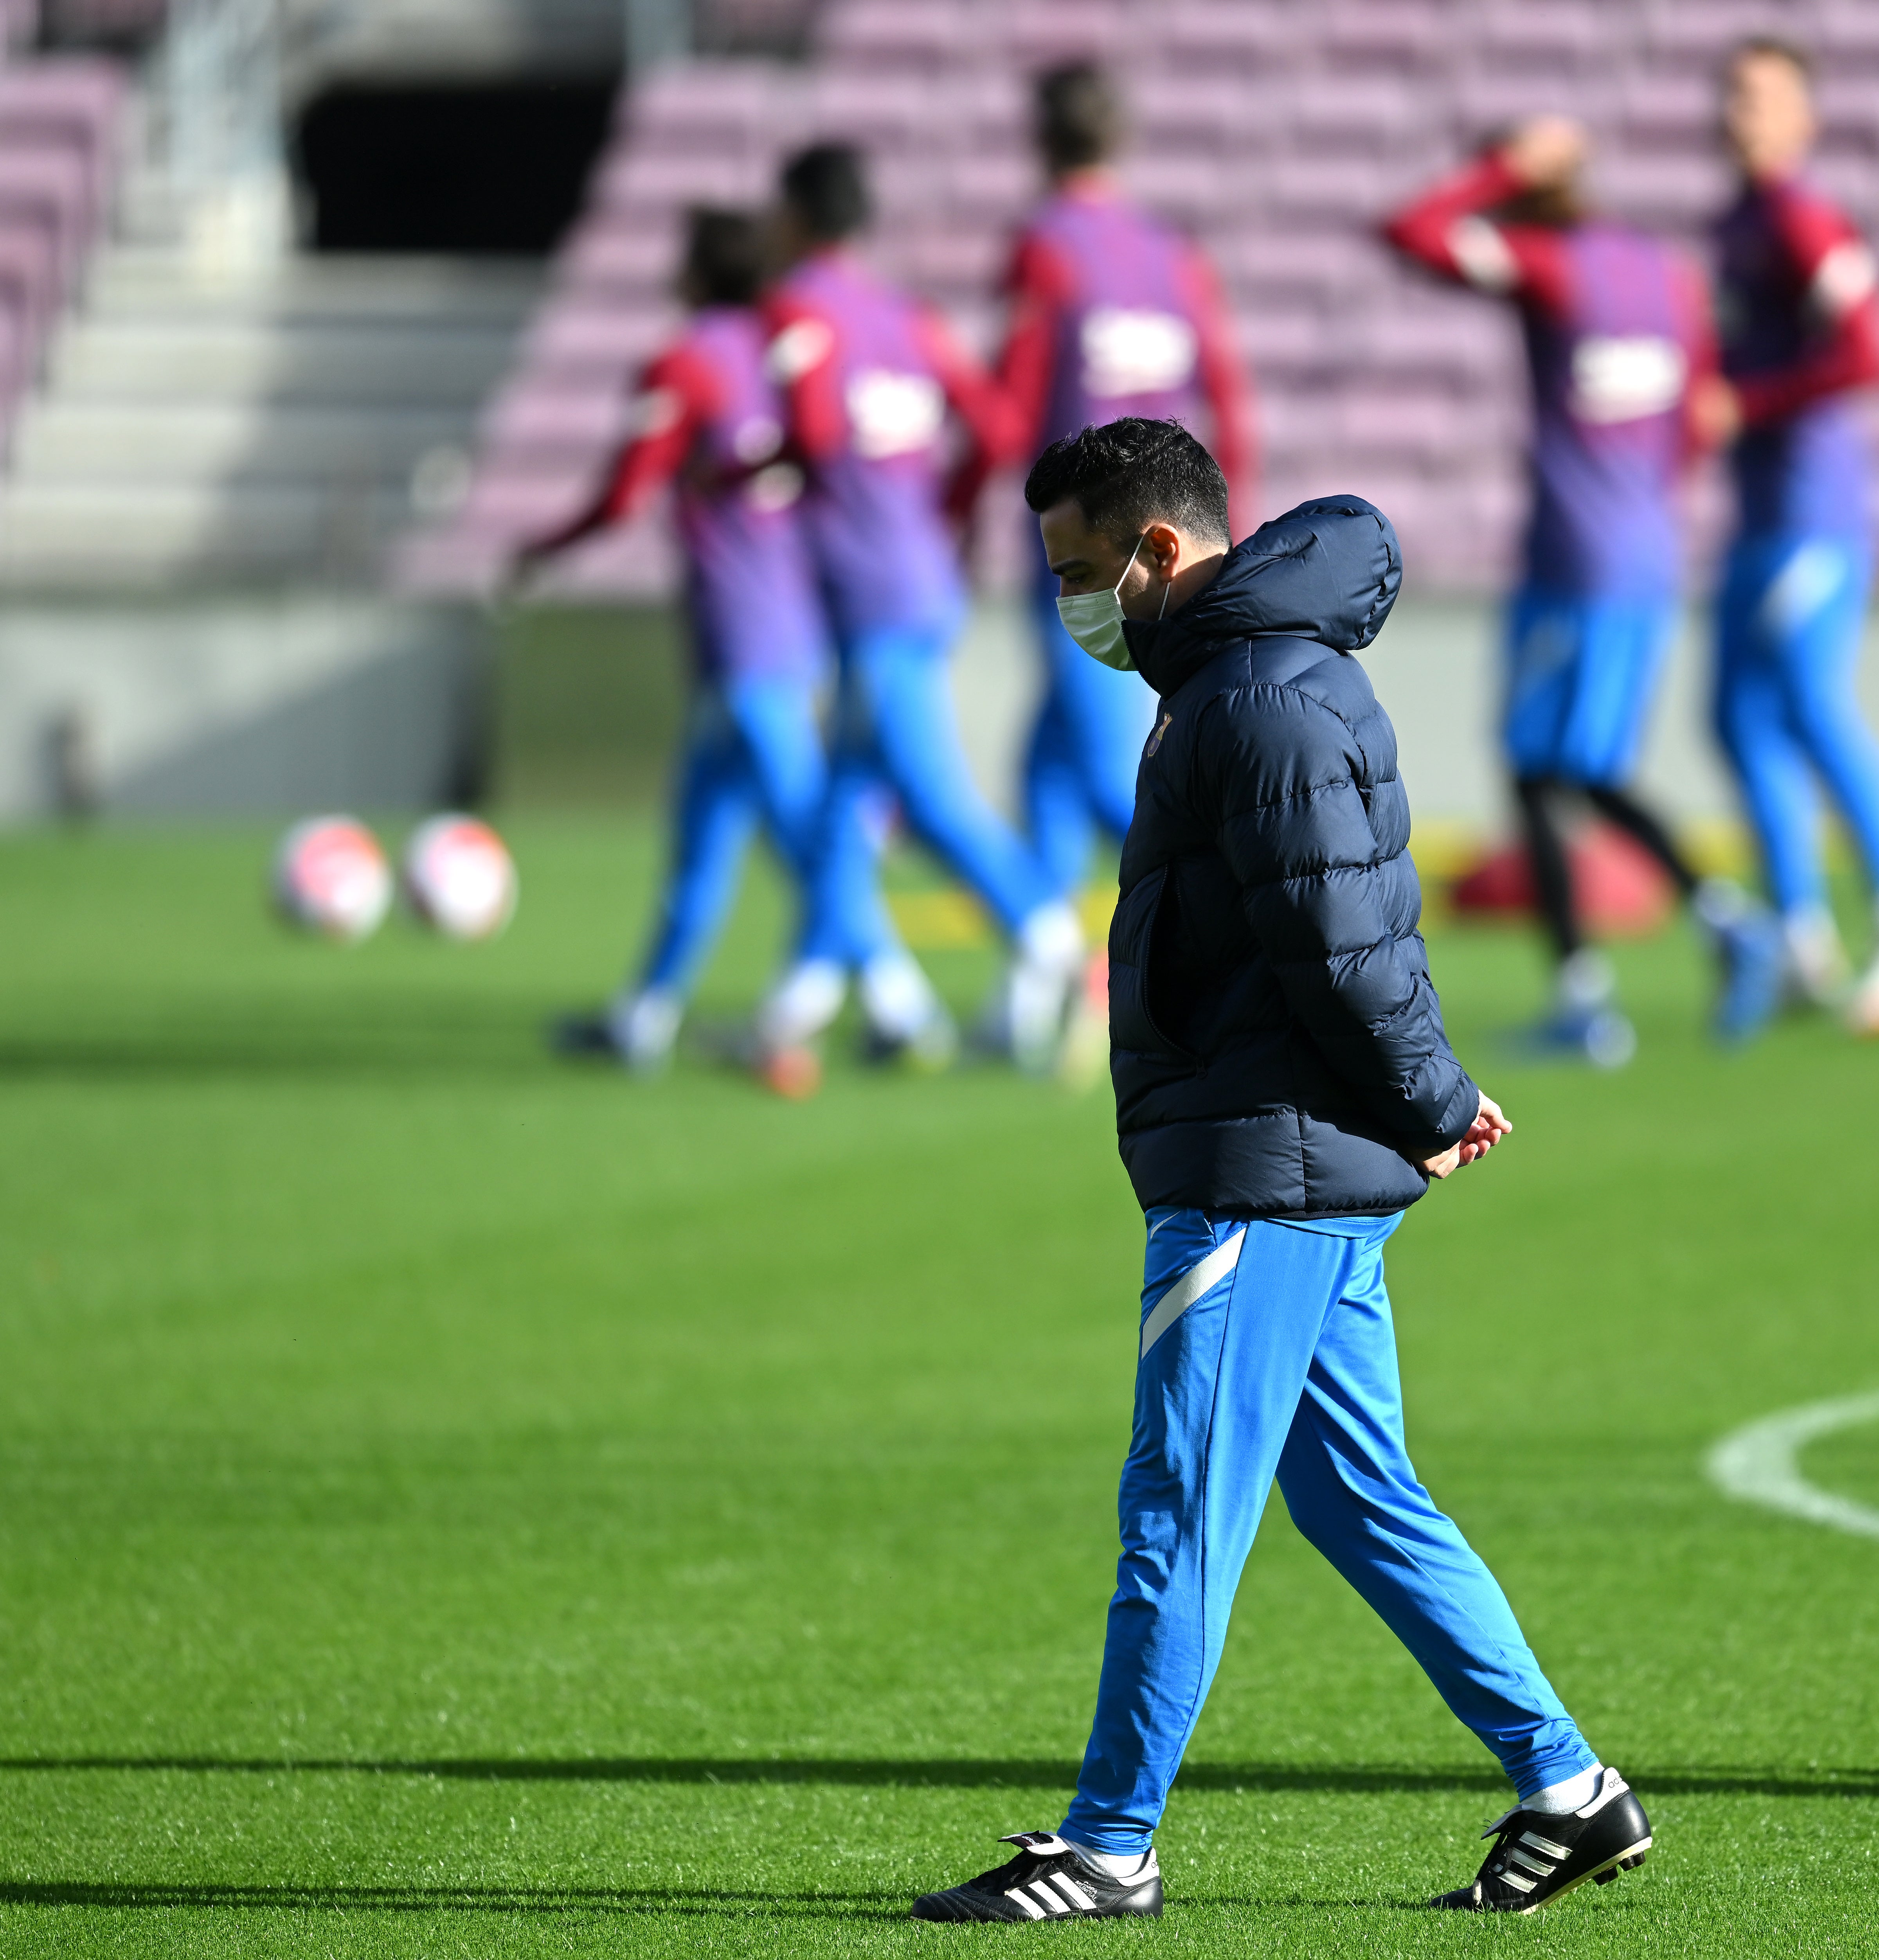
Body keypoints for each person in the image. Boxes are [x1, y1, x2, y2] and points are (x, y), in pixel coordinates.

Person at [908, 421, 1652, 1922]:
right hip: (1275, 1153)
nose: (1075, 609)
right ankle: (1569, 1791)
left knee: (1178, 1505)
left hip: (1265, 1172)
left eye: (1079, 575)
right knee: (1362, 1501)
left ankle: (1109, 1847)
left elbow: (1346, 940)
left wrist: (1432, 1095)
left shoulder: (1258, 698)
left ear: (1159, 552)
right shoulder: (1234, 684)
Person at [1381, 117, 1780, 1067]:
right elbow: (1696, 421)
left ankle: (1647, 968)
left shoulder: (1550, 266)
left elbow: (1415, 233)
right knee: (1564, 770)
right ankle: (1640, 968)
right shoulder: (1665, 277)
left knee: (1550, 768)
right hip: (1646, 552)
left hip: (1574, 562)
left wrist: (1493, 169)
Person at [750, 142, 1087, 1092]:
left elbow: (812, 431)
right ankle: (823, 1000)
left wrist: (756, 471)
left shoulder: (798, 312)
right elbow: (992, 424)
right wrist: (940, 506)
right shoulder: (907, 319)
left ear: (797, 219)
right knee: (839, 809)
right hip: (922, 577)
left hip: (868, 592)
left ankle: (1055, 945)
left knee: (929, 795)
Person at [522, 208, 832, 1076]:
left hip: (745, 634)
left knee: (809, 836)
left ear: (695, 274)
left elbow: (624, 497)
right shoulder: (778, 354)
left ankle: (895, 1004)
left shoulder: (687, 361)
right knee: (704, 832)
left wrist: (540, 551)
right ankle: (643, 1017)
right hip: (787, 618)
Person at [945, 59, 1254, 906]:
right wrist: (1228, 531)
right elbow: (1230, 397)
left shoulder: (1045, 248)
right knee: (1048, 764)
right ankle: (1047, 978)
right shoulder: (1173, 255)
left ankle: (1241, 929)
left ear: (1039, 140)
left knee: (1104, 773)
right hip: (1170, 545)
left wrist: (956, 496)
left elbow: (1010, 415)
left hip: (1084, 550)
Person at [1705, 38, 1879, 1035]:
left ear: (1805, 119)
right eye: (1733, 93)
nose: (1742, 112)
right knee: (1738, 716)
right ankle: (1802, 938)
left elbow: (1867, 349)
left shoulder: (1803, 218)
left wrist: (1748, 403)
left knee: (1808, 701)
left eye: (1765, 98)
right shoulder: (1737, 223)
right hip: (1760, 508)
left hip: (1814, 506)